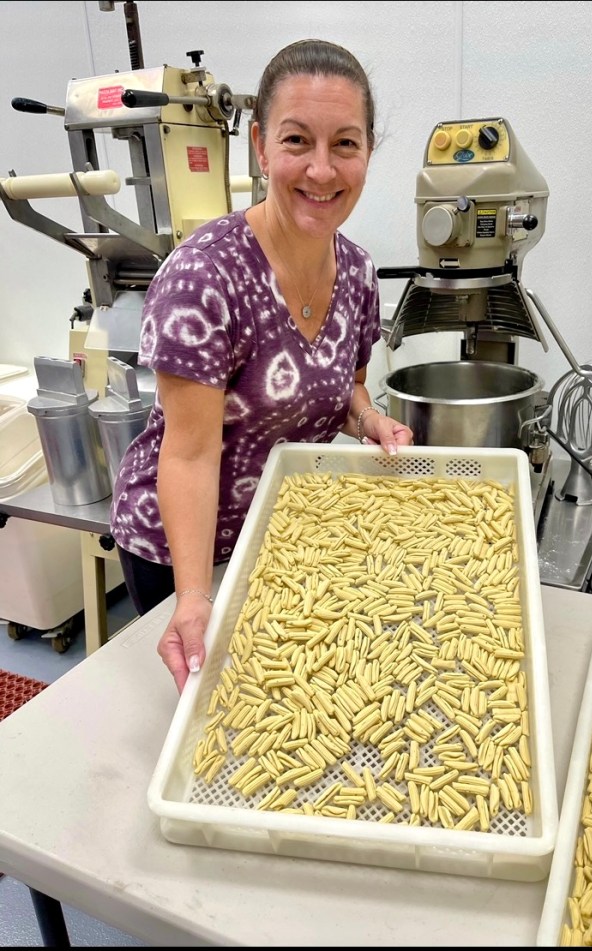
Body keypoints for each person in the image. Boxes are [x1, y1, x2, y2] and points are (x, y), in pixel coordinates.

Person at [109, 38, 414, 692]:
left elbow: (349, 390)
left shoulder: (358, 272)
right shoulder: (205, 278)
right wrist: (193, 597)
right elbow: (187, 455)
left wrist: (372, 422)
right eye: (298, 141)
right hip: (183, 549)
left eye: (346, 145)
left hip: (280, 534)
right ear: (260, 147)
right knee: (214, 711)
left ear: (367, 154)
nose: (322, 171)